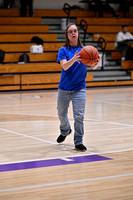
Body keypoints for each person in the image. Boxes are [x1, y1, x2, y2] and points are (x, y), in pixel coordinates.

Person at [56, 23, 100, 151]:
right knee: (61, 114)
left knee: (79, 116)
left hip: (79, 88)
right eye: (70, 31)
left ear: (78, 34)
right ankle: (65, 130)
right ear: (67, 35)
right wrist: (74, 59)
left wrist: (96, 62)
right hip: (64, 88)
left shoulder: (86, 50)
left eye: (75, 31)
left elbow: (93, 66)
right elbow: (64, 66)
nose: (73, 33)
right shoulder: (63, 50)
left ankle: (78, 141)